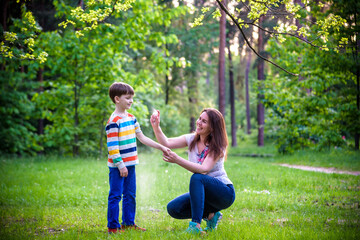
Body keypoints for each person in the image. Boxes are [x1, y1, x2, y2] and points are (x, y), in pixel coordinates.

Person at [150, 108, 235, 234]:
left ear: (212, 128)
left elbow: (204, 170)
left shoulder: (218, 145)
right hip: (205, 194)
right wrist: (156, 127)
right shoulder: (192, 139)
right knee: (173, 208)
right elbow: (167, 143)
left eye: (204, 121)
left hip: (223, 193)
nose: (199, 122)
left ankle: (195, 226)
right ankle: (211, 216)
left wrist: (177, 159)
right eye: (199, 118)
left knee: (197, 177)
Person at [106, 82, 169, 234]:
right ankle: (113, 228)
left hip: (131, 164)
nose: (131, 101)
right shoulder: (113, 122)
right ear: (117, 99)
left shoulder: (132, 118)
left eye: (132, 98)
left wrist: (161, 146)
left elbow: (142, 137)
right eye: (127, 98)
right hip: (118, 167)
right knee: (115, 195)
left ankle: (128, 223)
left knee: (130, 195)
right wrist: (120, 165)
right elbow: (112, 147)